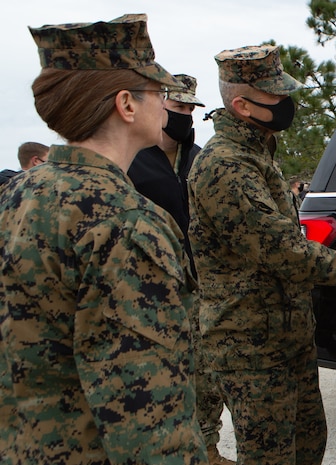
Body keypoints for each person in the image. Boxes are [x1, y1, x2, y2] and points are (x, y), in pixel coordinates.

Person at [0, 14, 208, 464]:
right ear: (126, 105)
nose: (166, 106)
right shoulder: (126, 223)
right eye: (158, 93)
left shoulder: (14, 194)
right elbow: (149, 417)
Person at [187, 44, 336, 465]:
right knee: (271, 456)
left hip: (285, 335)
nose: (287, 104)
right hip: (250, 345)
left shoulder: (257, 154)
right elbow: (281, 250)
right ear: (241, 105)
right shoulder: (225, 166)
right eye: (276, 97)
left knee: (306, 446)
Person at [127, 73, 234, 465]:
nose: (186, 116)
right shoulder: (134, 160)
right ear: (160, 108)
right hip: (152, 286)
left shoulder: (199, 157)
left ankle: (207, 448)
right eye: (178, 108)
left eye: (191, 109)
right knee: (162, 373)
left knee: (206, 375)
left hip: (201, 283)